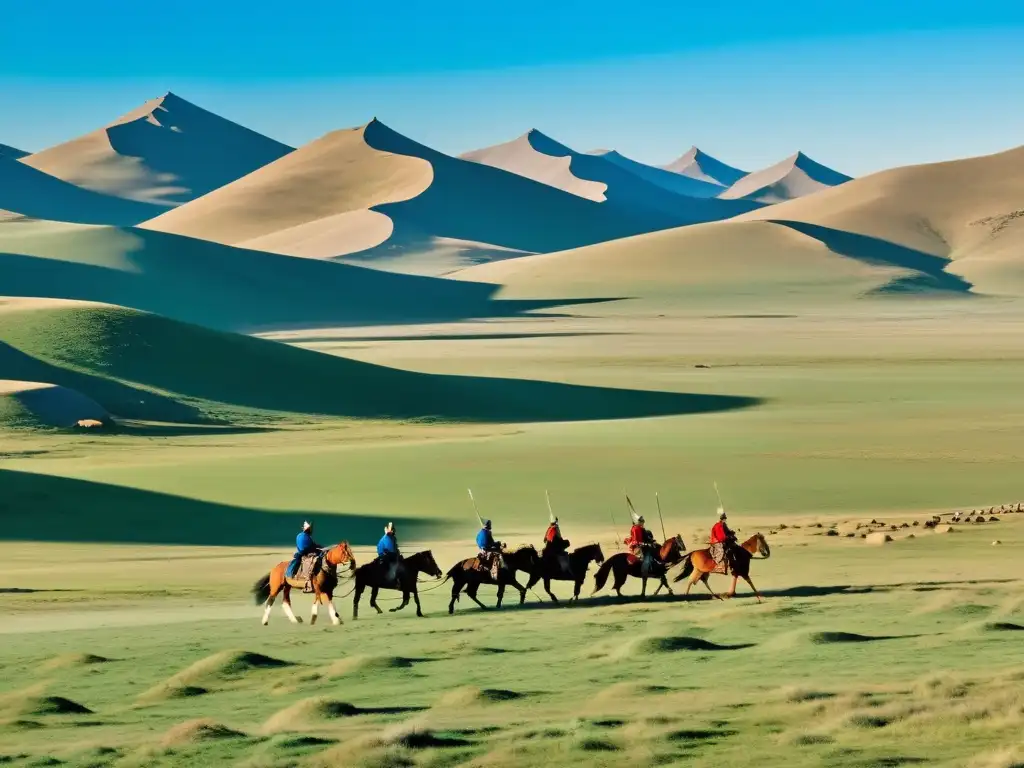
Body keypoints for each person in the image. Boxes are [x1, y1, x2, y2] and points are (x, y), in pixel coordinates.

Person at [542, 513, 572, 578]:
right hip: (554, 547)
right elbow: (558, 537)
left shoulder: (551, 528)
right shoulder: (553, 528)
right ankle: (564, 569)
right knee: (563, 554)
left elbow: (545, 539)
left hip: (552, 546)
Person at [709, 508, 737, 574]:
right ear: (722, 519)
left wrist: (731, 533)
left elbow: (727, 531)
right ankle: (715, 567)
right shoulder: (718, 525)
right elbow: (721, 536)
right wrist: (727, 537)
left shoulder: (723, 525)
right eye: (724, 519)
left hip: (722, 540)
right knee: (721, 552)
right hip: (717, 541)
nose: (725, 520)